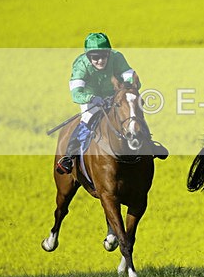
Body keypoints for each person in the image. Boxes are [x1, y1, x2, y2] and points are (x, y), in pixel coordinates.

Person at [56, 32, 165, 174]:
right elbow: (76, 94)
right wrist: (91, 98)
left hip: (115, 95)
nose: (100, 61)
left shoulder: (117, 57)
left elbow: (129, 74)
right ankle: (69, 157)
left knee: (133, 113)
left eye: (104, 56)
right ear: (88, 57)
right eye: (95, 58)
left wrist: (127, 86)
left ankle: (150, 144)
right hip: (91, 99)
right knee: (87, 120)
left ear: (109, 53)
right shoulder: (80, 65)